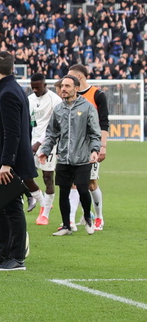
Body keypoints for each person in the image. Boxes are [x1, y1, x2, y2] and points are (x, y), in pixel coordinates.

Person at [0, 51, 37, 271]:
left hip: (7, 161)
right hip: (0, 157)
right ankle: (3, 252)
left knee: (12, 207)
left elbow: (13, 132)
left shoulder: (9, 93)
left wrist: (7, 163)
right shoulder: (6, 90)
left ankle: (17, 256)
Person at [40, 75, 101, 236]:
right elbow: (52, 133)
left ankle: (88, 217)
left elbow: (95, 133)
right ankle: (66, 226)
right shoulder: (58, 109)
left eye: (67, 86)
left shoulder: (87, 107)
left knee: (82, 189)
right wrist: (45, 151)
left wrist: (95, 150)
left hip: (82, 158)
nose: (64, 89)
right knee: (64, 192)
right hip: (64, 158)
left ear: (76, 88)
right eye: (62, 86)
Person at [68, 64, 108, 231]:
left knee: (91, 183)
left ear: (80, 77)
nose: (66, 79)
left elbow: (104, 123)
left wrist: (102, 146)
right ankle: (71, 220)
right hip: (73, 146)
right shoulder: (71, 96)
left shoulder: (97, 95)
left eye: (70, 76)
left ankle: (99, 217)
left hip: (91, 145)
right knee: (73, 183)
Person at [27, 73, 62, 226]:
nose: (35, 90)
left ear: (45, 85)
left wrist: (39, 144)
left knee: (48, 177)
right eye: (32, 87)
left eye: (38, 87)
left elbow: (54, 128)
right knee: (25, 175)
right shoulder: (29, 100)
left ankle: (45, 214)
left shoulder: (55, 101)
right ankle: (41, 200)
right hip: (32, 143)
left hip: (50, 144)